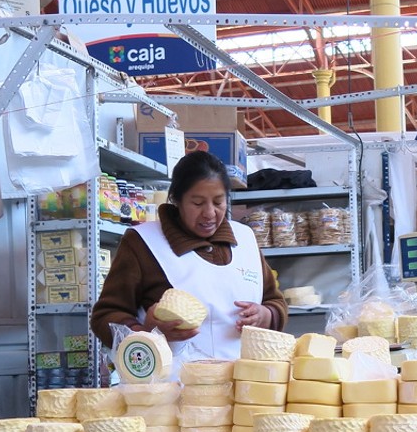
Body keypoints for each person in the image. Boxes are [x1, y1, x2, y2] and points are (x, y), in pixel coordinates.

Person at [91, 150, 287, 366]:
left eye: (219, 202)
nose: (210, 213)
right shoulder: (143, 243)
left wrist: (265, 315)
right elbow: (105, 316)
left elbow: (275, 300)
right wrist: (146, 333)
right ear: (177, 200)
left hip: (241, 385)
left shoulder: (245, 239)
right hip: (171, 388)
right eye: (197, 203)